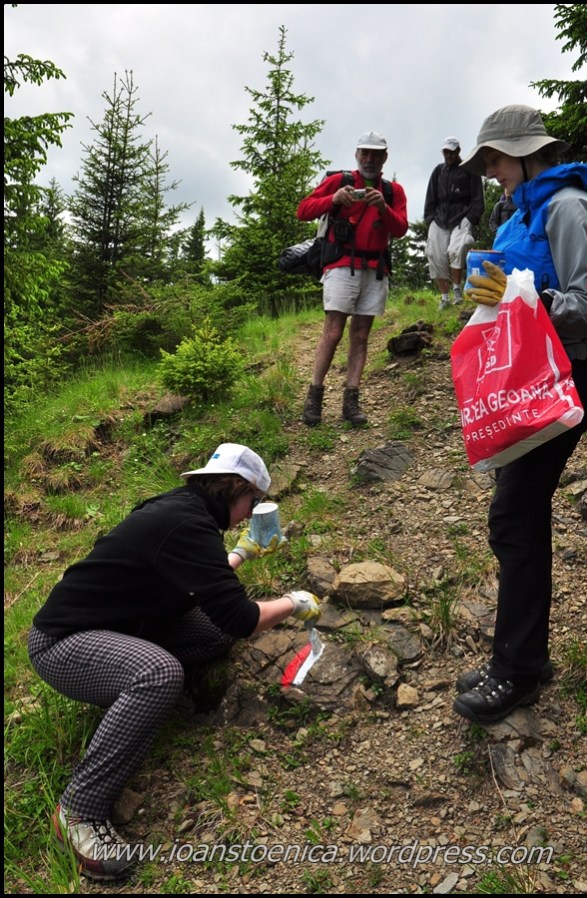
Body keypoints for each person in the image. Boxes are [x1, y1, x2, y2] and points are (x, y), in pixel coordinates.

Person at [27, 443, 321, 880]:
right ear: (234, 489)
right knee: (159, 672)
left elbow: (201, 584)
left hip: (125, 626)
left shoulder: (186, 513)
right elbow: (242, 618)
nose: (250, 512)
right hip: (63, 644)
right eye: (253, 502)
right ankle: (78, 813)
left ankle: (134, 702)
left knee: (211, 632)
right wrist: (293, 603)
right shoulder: (183, 522)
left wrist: (243, 553)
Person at [452, 105, 587, 725]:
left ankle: (517, 670)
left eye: (493, 159)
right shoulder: (522, 209)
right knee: (517, 512)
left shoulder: (569, 207)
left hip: (562, 377)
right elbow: (521, 284)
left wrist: (529, 298)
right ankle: (525, 654)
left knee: (515, 515)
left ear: (524, 153)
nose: (489, 172)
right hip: (525, 374)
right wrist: (491, 286)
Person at [297, 131, 408, 427]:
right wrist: (333, 199)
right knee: (332, 332)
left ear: (385, 157)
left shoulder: (392, 191)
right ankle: (315, 395)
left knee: (360, 335)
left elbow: (400, 229)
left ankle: (351, 399)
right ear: (357, 155)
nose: (370, 159)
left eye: (376, 154)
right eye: (365, 153)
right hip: (341, 263)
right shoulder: (339, 181)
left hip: (375, 268)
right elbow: (302, 210)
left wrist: (382, 208)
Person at [424, 136, 485, 310]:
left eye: (451, 152)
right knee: (435, 254)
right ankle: (444, 298)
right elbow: (430, 198)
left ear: (458, 151)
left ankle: (457, 289)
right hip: (439, 219)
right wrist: (430, 220)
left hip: (461, 217)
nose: (448, 155)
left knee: (456, 249)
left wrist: (470, 218)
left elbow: (478, 200)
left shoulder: (469, 170)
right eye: (446, 152)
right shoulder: (438, 171)